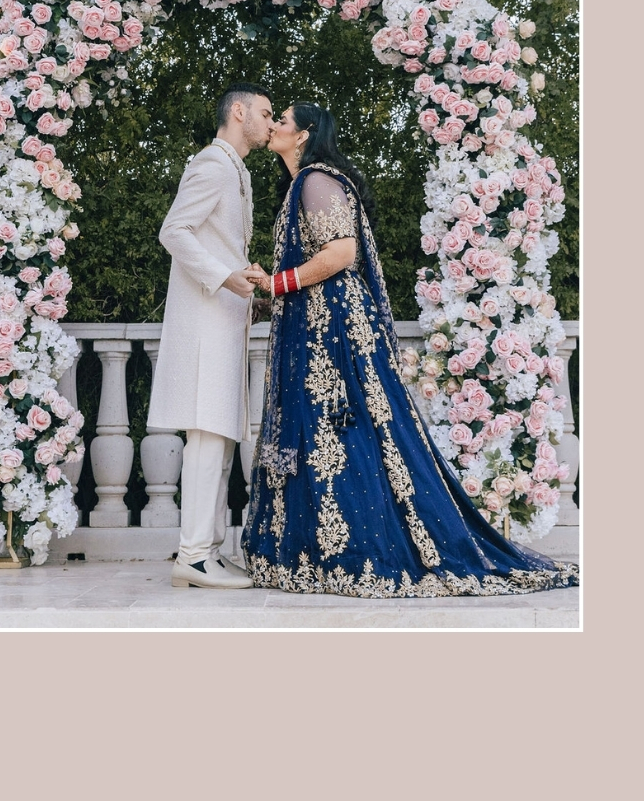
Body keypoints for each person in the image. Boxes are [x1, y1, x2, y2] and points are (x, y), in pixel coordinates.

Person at [241, 103, 579, 598]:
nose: (272, 126)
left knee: (347, 429)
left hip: (334, 328)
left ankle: (358, 551)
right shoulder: (301, 185)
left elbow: (341, 254)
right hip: (313, 324)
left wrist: (276, 283)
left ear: (304, 135)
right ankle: (317, 550)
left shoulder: (316, 180)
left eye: (282, 120)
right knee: (323, 430)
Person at [147, 82, 274, 590]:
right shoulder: (213, 163)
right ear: (237, 112)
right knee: (206, 434)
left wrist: (244, 283)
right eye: (265, 114)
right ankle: (194, 555)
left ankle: (208, 550)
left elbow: (216, 242)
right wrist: (225, 277)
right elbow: (174, 230)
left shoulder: (234, 169)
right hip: (203, 323)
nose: (270, 123)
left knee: (218, 435)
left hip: (224, 318)